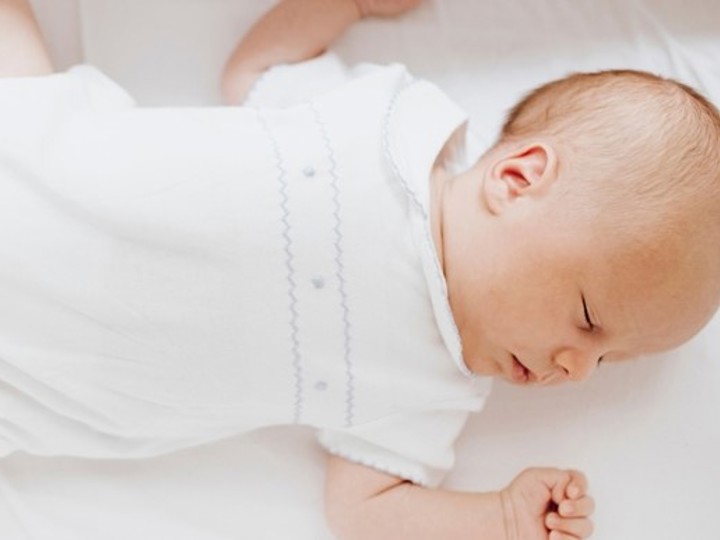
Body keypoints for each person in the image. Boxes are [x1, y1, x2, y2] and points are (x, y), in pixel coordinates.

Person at [2, 0, 720, 539]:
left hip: (32, 381)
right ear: (519, 177)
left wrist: (497, 517)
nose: (579, 371)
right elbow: (259, 71)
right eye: (590, 319)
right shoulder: (389, 125)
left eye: (612, 360)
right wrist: (344, 5)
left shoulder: (432, 389)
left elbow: (362, 510)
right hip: (43, 162)